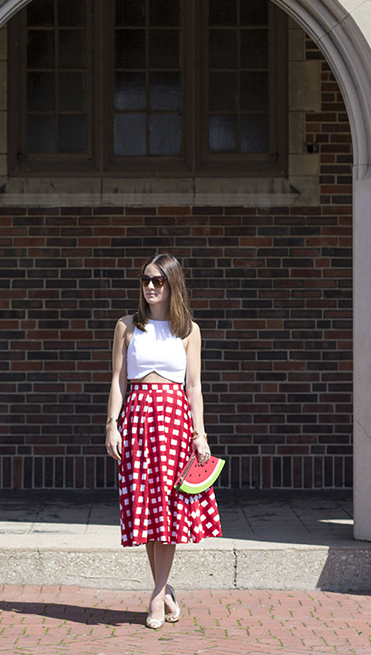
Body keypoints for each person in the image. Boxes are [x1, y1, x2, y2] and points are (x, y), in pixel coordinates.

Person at [105, 253, 222, 630]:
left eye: (158, 280)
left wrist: (200, 436)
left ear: (173, 284)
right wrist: (112, 424)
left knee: (168, 513)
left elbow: (194, 387)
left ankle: (156, 597)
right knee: (146, 510)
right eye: (145, 280)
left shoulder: (188, 330)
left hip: (174, 424)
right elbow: (118, 381)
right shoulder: (126, 326)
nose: (150, 286)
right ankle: (165, 589)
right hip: (138, 421)